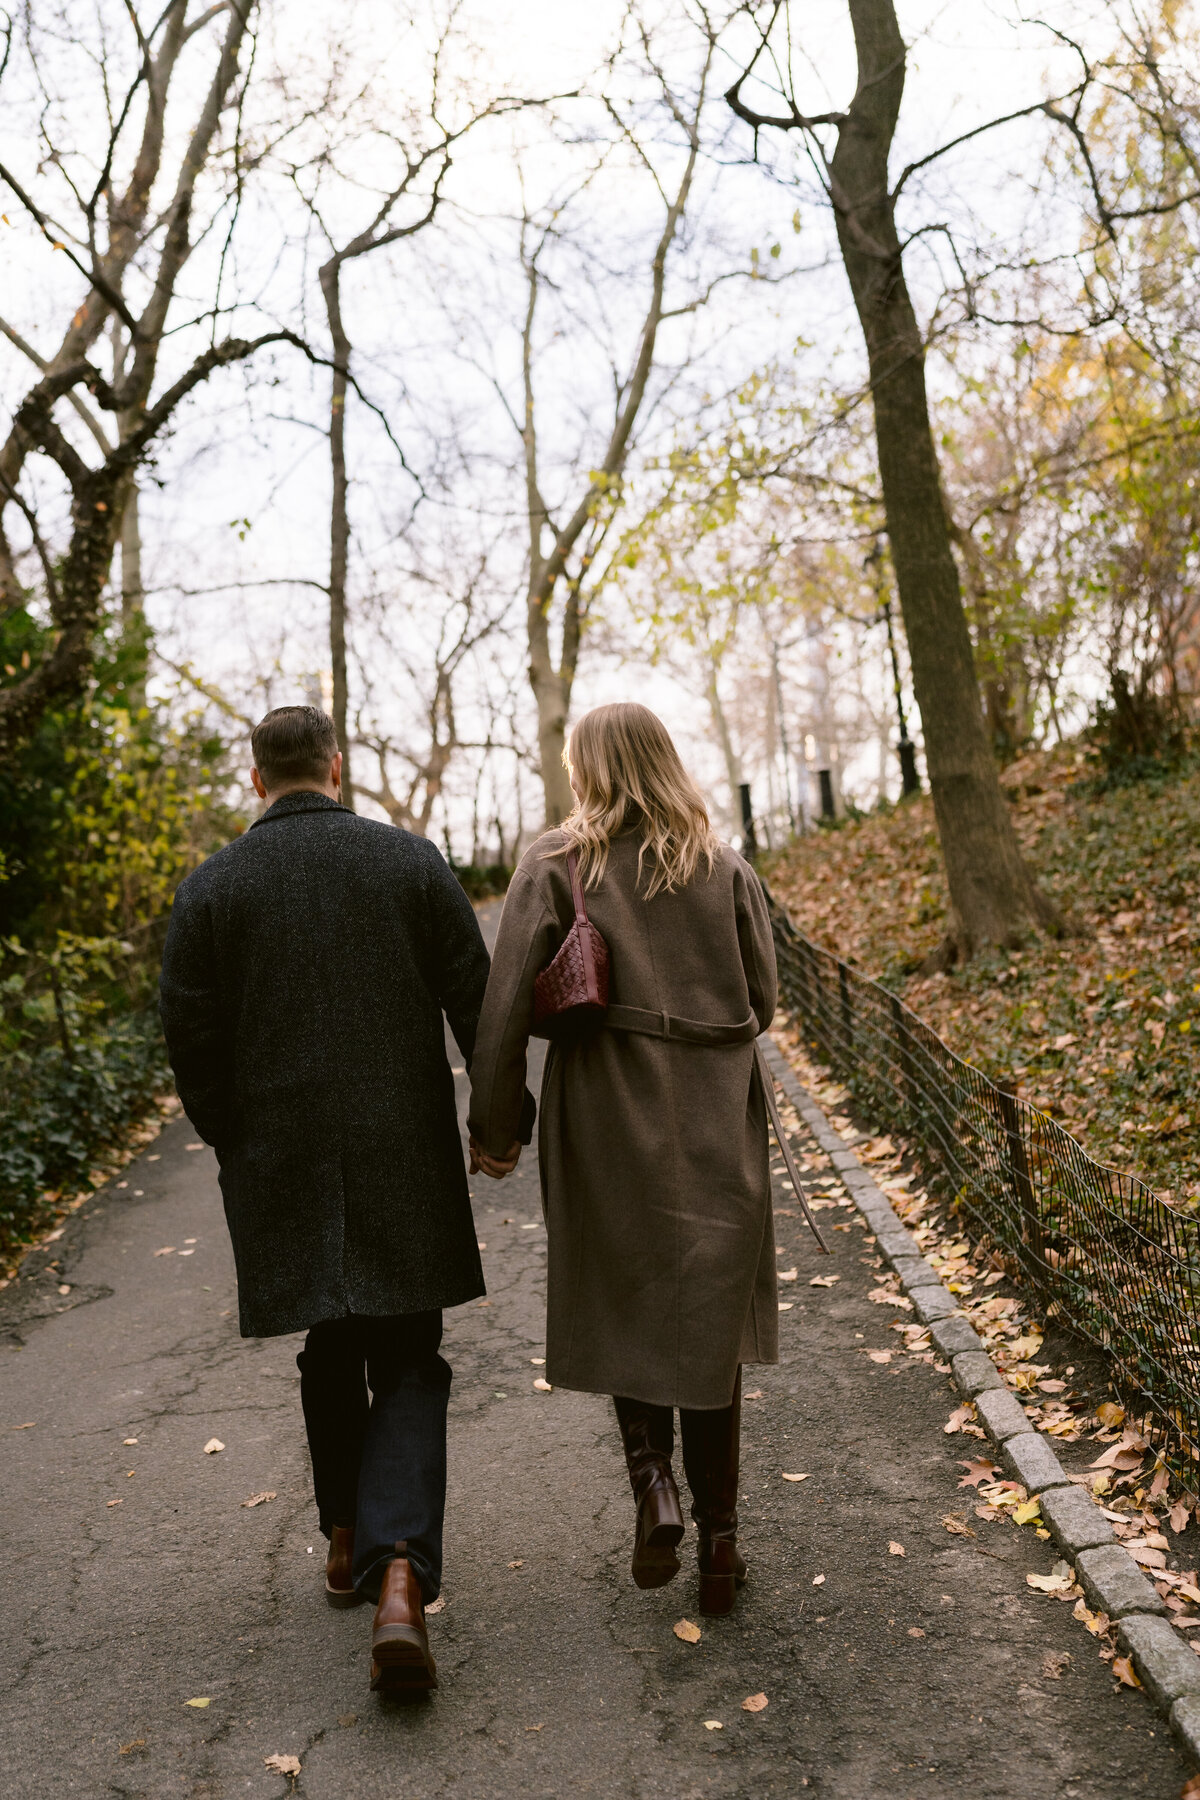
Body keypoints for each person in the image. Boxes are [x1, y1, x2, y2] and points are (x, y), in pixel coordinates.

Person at [159, 705, 522, 1695]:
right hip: (399, 1143)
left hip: (281, 1157)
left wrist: (236, 1135)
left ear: (254, 779)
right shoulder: (407, 862)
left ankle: (343, 1535)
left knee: (329, 1337)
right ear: (334, 763)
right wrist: (500, 1121)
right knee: (407, 1349)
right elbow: (477, 1001)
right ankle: (397, 1567)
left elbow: (188, 1036)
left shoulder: (211, 889)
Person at [467, 702, 778, 1615]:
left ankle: (654, 1489)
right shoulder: (725, 868)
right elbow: (763, 996)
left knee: (623, 1293)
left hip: (603, 1105)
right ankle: (721, 1546)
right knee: (709, 1316)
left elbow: (504, 1016)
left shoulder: (557, 861)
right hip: (718, 1111)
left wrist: (496, 1128)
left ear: (589, 769)